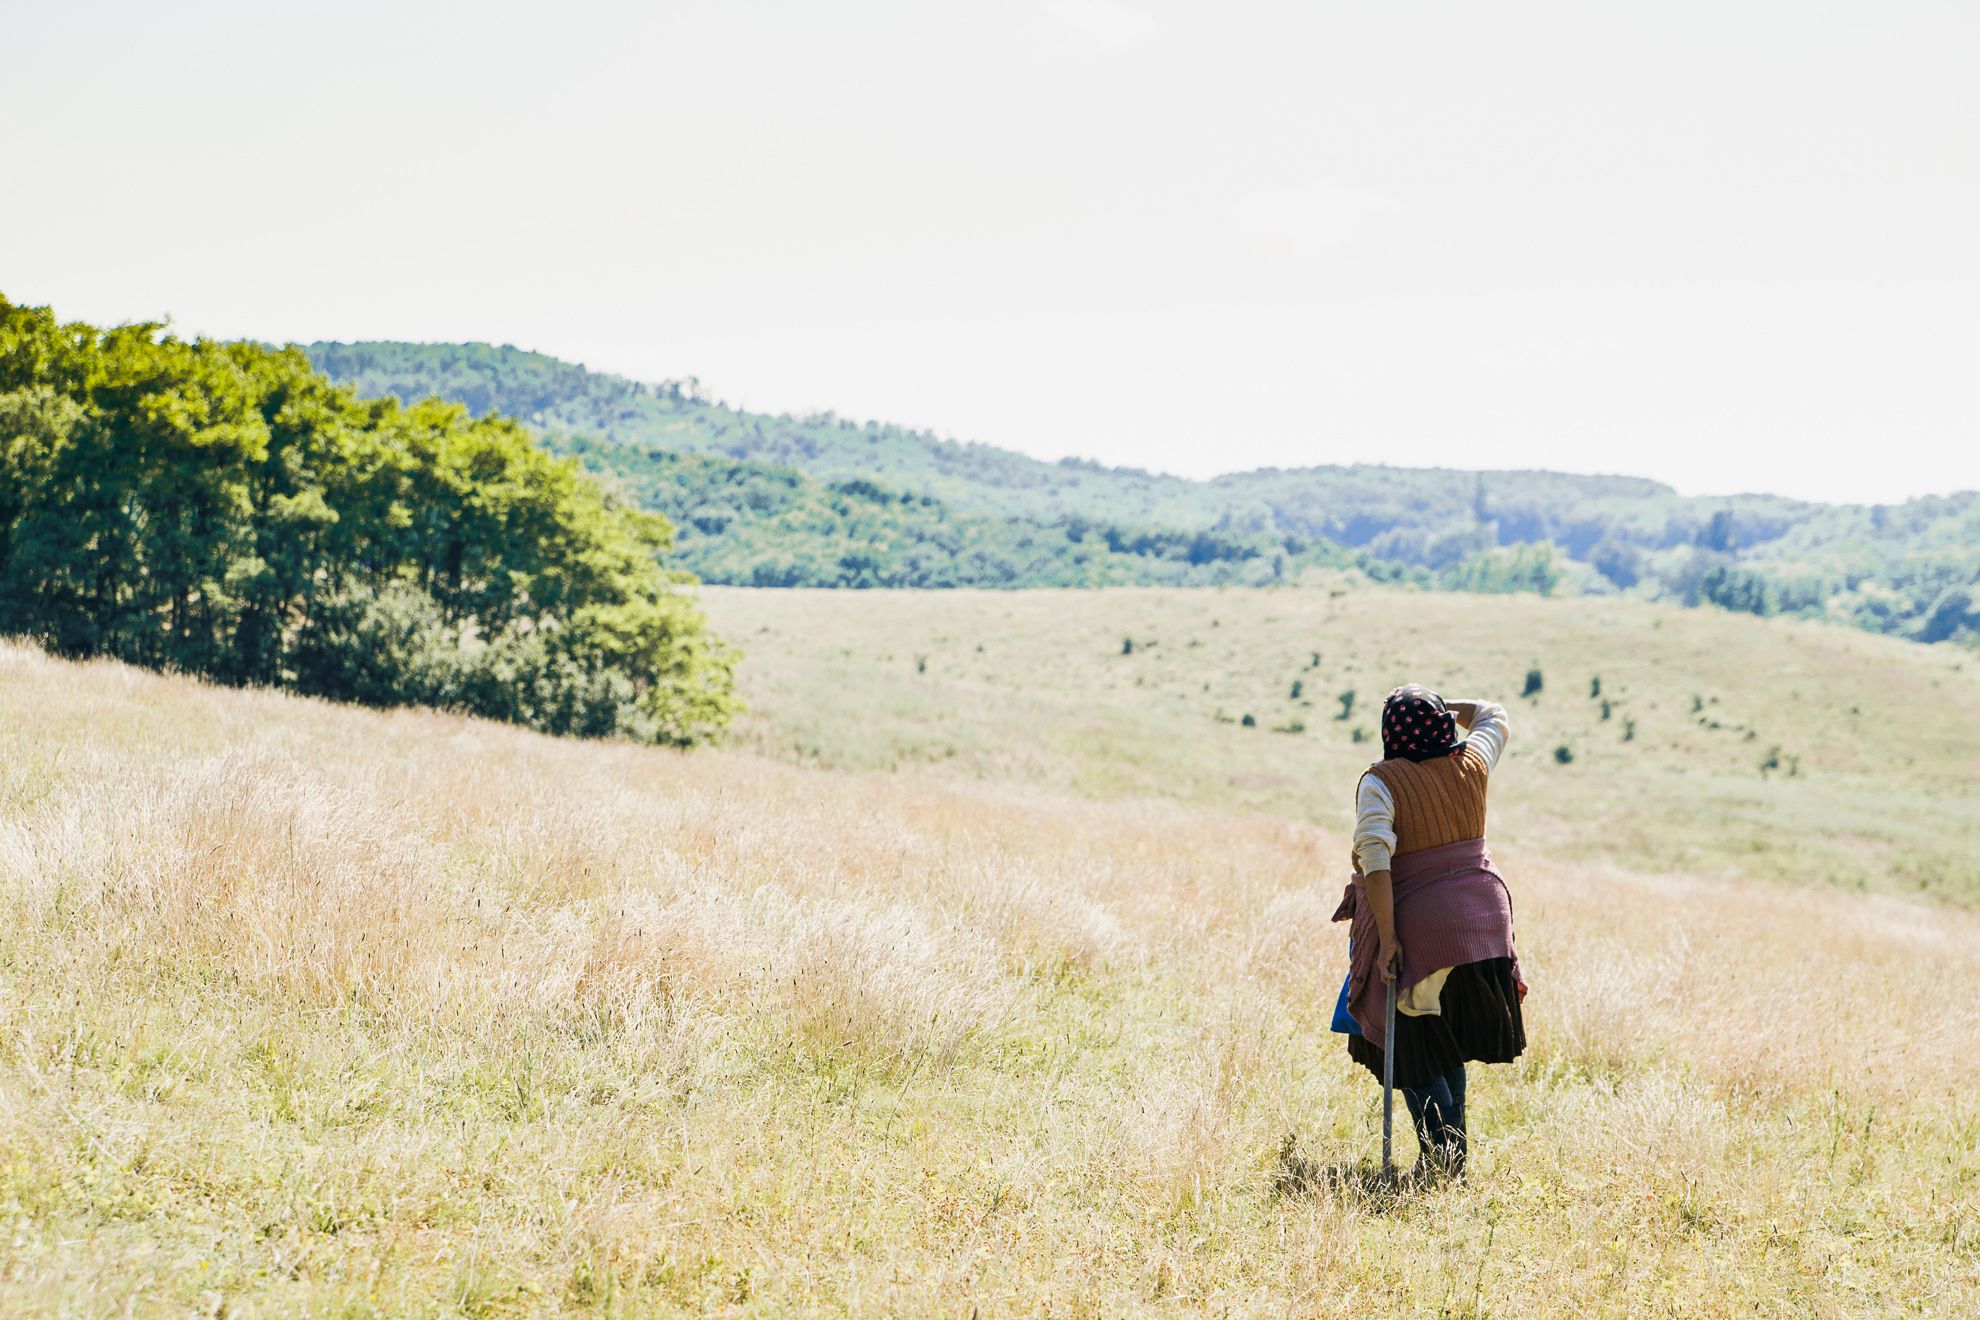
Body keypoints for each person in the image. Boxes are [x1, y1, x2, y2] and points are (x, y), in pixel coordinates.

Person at [1331, 685, 1526, 1180]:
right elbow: (1493, 714)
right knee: (1446, 1044)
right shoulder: (1473, 761)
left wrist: (1389, 941)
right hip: (1485, 922)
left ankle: (1442, 1162)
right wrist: (1442, 707)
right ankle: (1450, 1165)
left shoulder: (1381, 781)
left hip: (1426, 927)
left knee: (1412, 1052)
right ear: (1442, 726)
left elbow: (1376, 860)